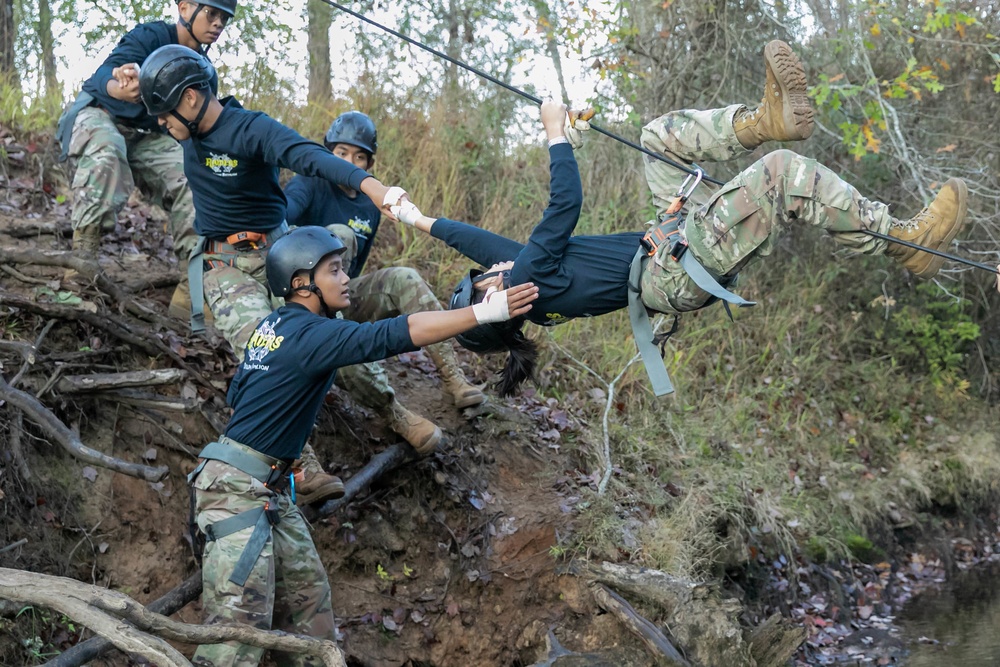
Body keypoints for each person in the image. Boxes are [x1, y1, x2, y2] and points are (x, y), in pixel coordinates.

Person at [395, 41, 969, 396]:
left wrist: (419, 219)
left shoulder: (526, 289)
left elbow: (482, 242)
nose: (489, 266)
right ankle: (901, 241)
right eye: (482, 278)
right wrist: (554, 136)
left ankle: (763, 119)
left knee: (658, 139)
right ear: (494, 293)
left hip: (667, 241)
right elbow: (564, 205)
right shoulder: (526, 281)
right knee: (781, 174)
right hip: (675, 263)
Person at [187, 226, 537, 665]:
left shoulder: (271, 327)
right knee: (235, 640)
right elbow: (400, 331)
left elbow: (240, 396)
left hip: (266, 489)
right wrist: (485, 313)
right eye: (334, 270)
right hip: (238, 493)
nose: (346, 277)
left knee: (311, 614)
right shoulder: (311, 335)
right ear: (301, 283)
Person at [137, 45, 412, 505]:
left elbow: (305, 155)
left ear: (188, 100)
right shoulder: (186, 139)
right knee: (262, 344)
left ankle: (396, 411)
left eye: (164, 114)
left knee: (332, 334)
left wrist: (369, 185)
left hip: (279, 253)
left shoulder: (248, 128)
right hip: (223, 265)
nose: (162, 125)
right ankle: (303, 465)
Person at [284, 111, 486, 459]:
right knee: (341, 236)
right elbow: (282, 219)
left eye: (359, 156)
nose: (350, 162)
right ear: (328, 150)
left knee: (403, 277)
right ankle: (394, 414)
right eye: (342, 153)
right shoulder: (309, 182)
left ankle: (453, 377)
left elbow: (355, 269)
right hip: (299, 301)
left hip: (342, 294)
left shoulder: (369, 204)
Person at [56, 0, 236, 311]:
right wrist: (119, 86)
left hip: (147, 137)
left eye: (224, 17)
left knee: (194, 174)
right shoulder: (151, 36)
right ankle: (81, 266)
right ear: (184, 9)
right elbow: (102, 78)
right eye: (211, 13)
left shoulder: (203, 73)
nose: (218, 23)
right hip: (100, 115)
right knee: (107, 150)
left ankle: (192, 289)